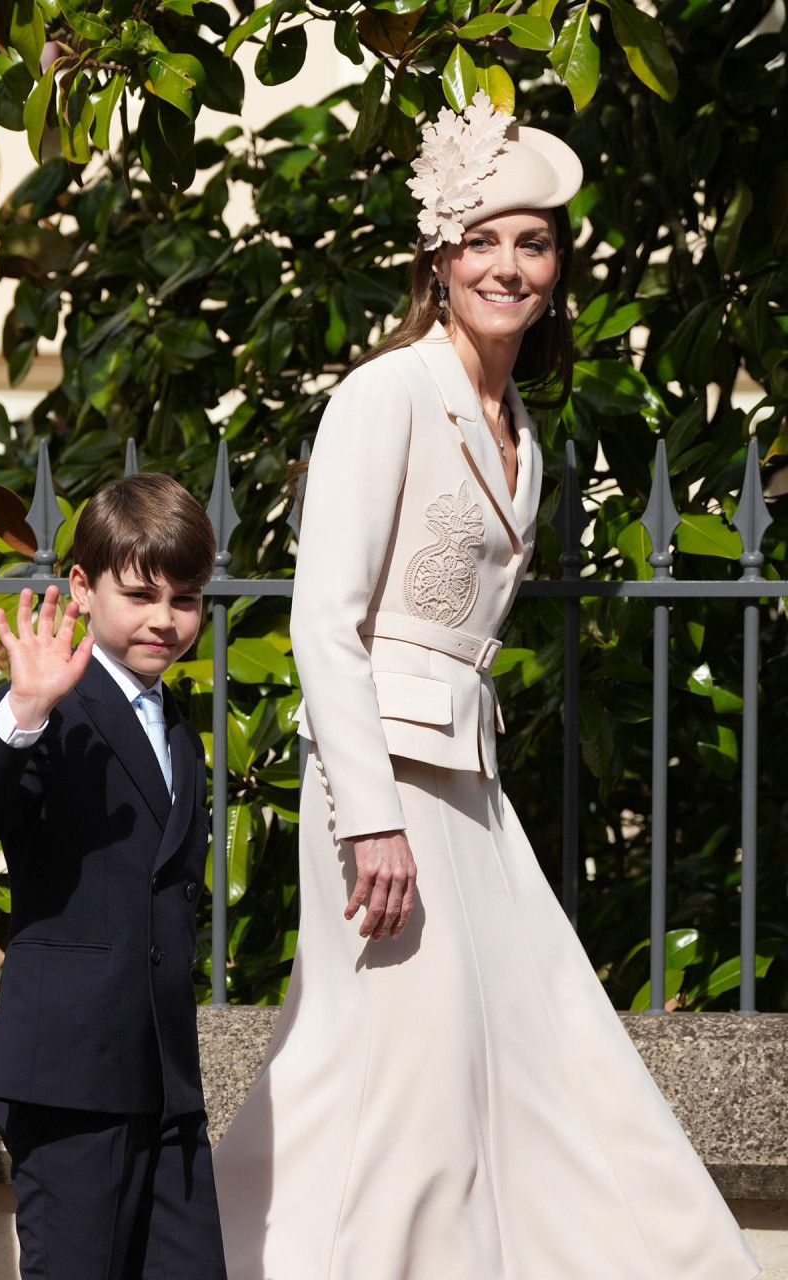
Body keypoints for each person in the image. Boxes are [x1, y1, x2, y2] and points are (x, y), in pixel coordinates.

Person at [212, 93, 760, 1280]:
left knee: (538, 1047)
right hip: (379, 791)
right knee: (396, 1076)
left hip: (465, 781)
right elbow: (323, 621)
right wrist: (369, 816)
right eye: (481, 241)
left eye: (532, 243)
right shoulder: (384, 393)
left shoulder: (519, 424)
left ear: (556, 270)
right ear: (437, 259)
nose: (507, 265)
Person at [0, 473, 228, 1280]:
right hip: (71, 1073)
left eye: (186, 599)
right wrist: (21, 713)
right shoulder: (51, 705)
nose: (165, 618)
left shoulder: (177, 728)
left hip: (164, 1076)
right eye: (142, 594)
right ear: (83, 588)